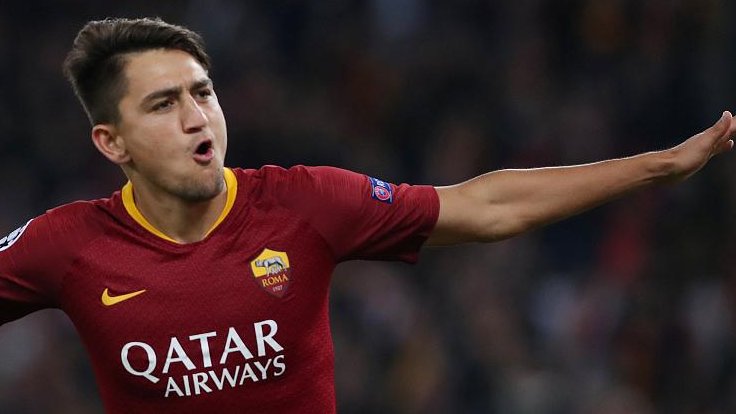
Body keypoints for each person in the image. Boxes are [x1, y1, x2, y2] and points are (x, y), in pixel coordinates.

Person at [0, 17, 733, 414]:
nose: (198, 117)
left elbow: (484, 205)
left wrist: (656, 167)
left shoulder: (301, 202)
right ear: (112, 142)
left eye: (204, 92)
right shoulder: (68, 245)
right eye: (164, 104)